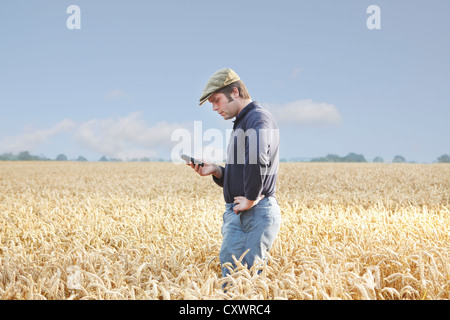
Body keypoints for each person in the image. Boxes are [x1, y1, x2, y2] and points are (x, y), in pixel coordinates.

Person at [187, 68, 281, 280]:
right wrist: (217, 171)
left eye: (216, 100)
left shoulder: (257, 118)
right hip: (247, 215)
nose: (214, 108)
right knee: (235, 283)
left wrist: (250, 197)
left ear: (235, 92)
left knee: (241, 285)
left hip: (252, 215)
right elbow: (245, 169)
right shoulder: (245, 121)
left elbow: (257, 158)